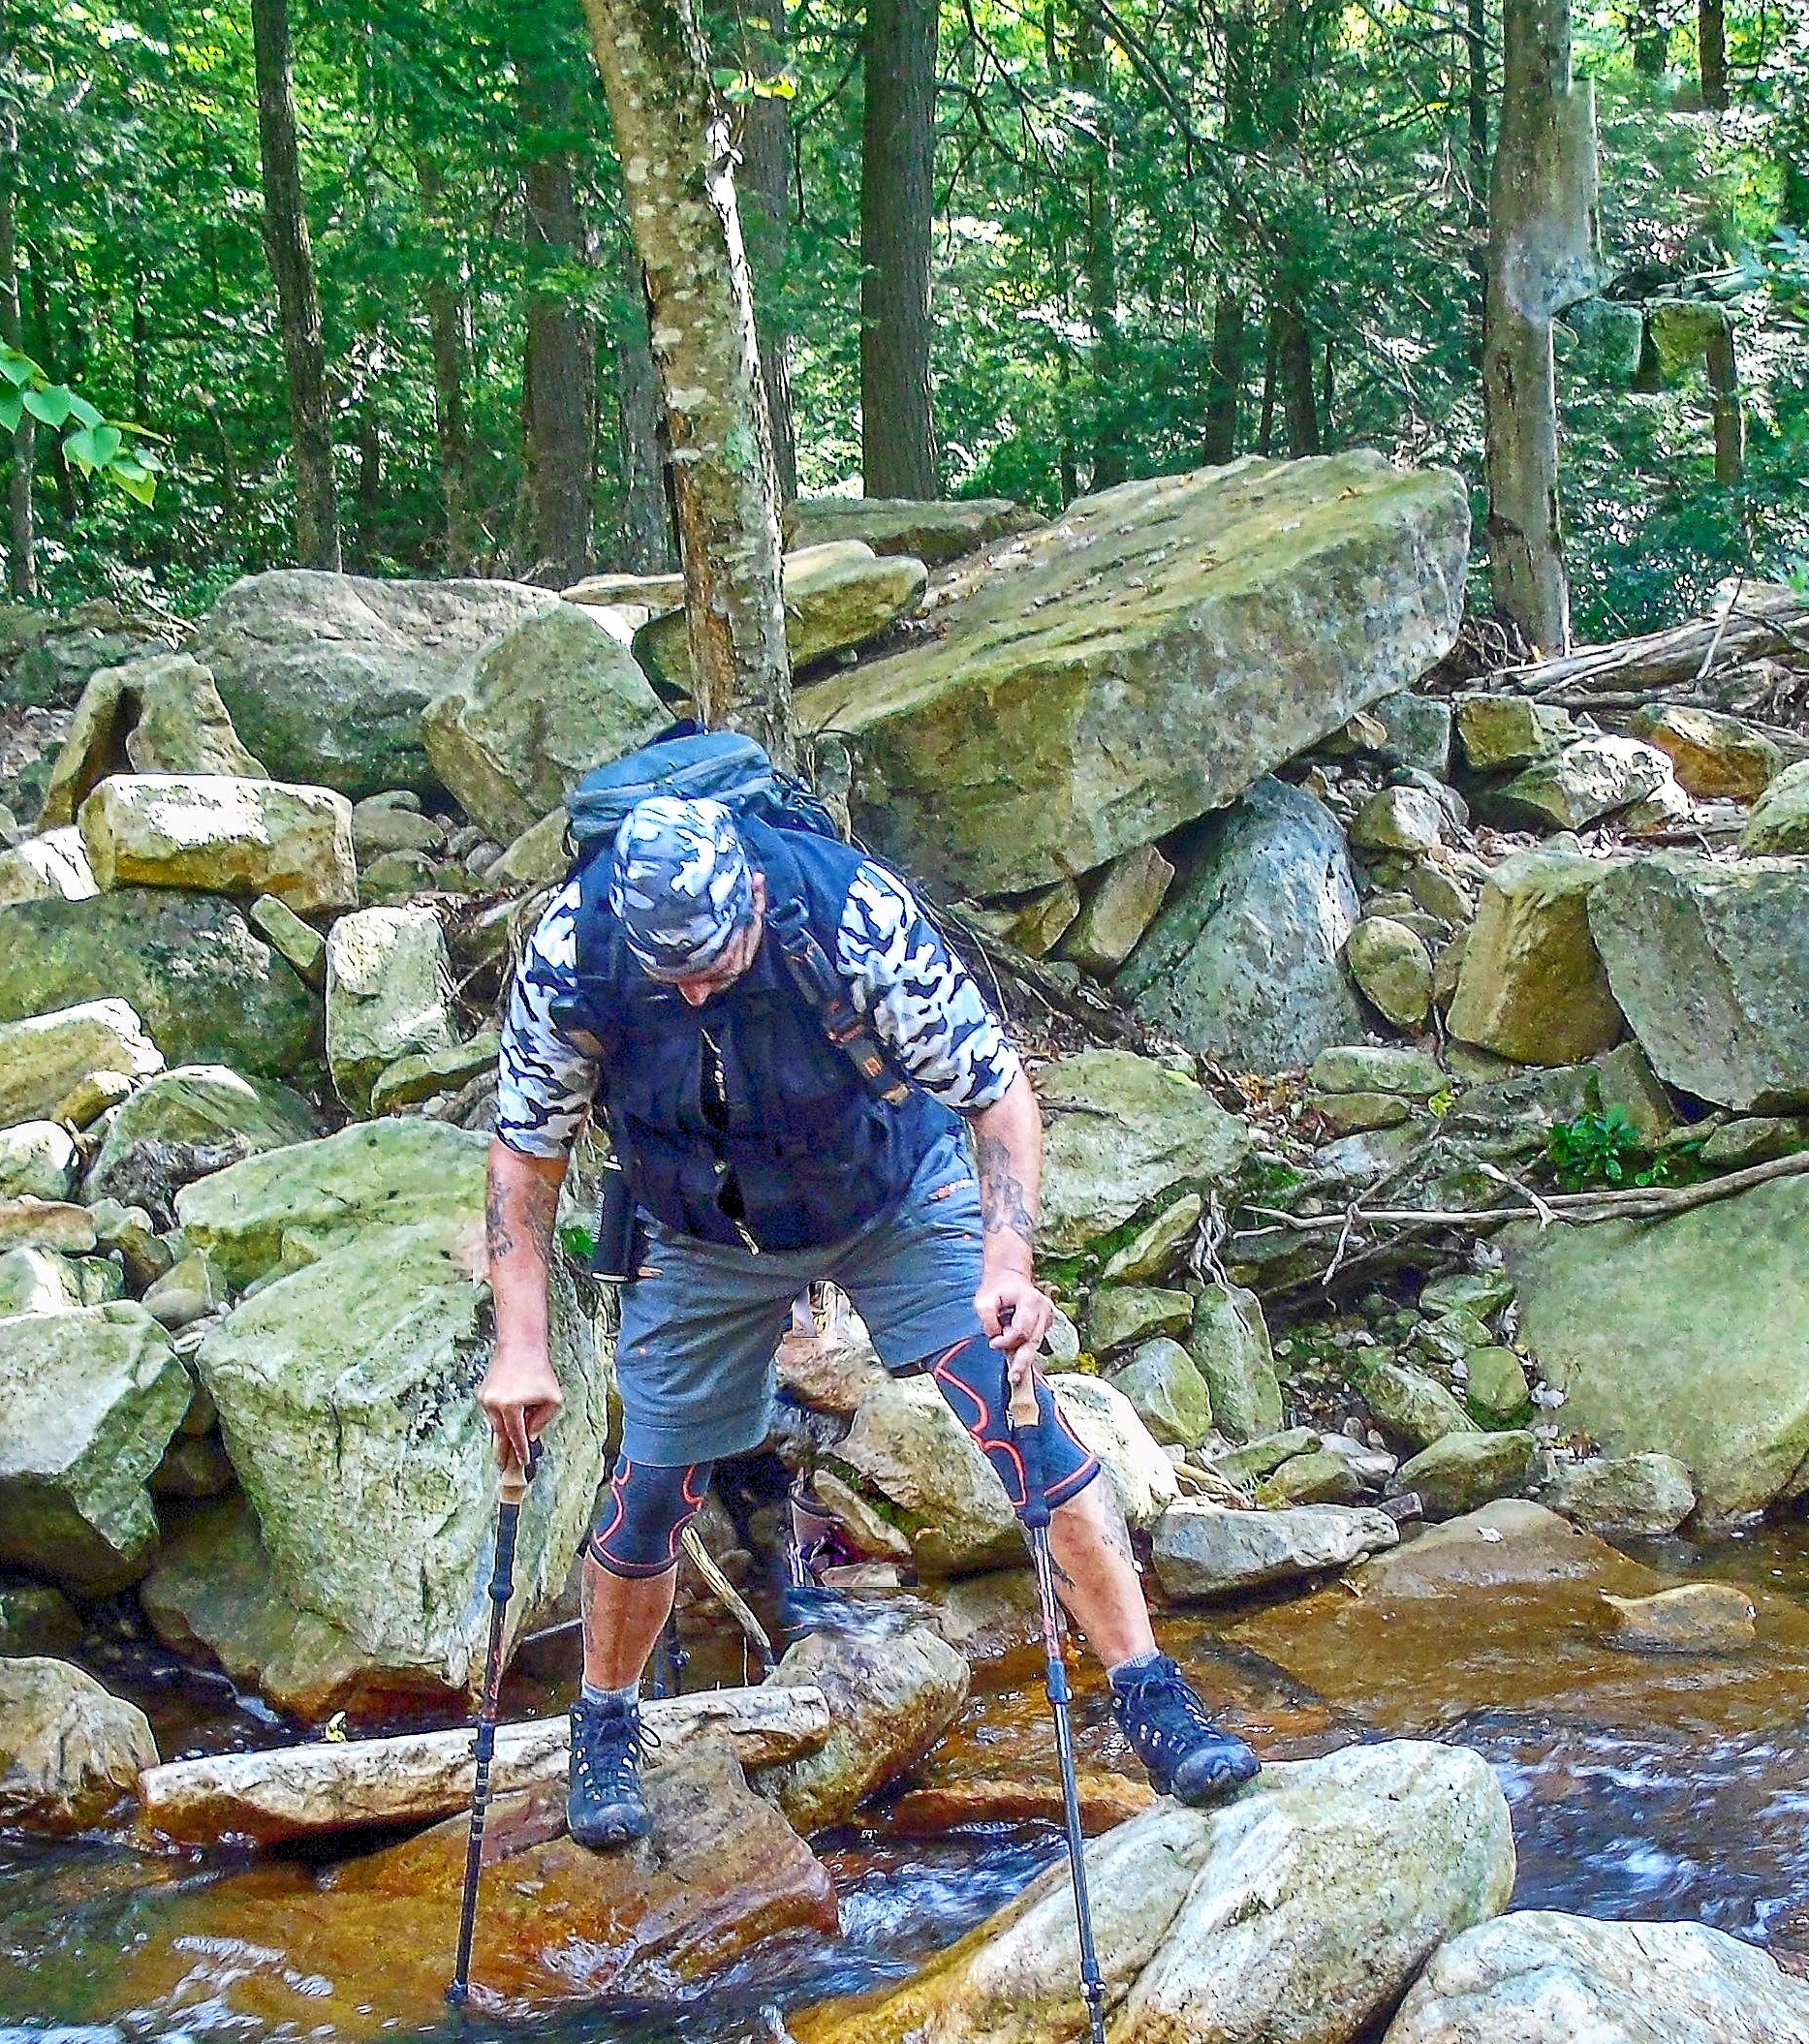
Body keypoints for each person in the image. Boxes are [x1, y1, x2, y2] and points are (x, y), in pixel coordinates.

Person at [475, 749, 1264, 1852]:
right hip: (701, 1229)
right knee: (652, 1488)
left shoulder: (850, 918)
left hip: (891, 1186)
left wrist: (1008, 1267)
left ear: (752, 890)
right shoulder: (577, 951)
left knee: (1019, 1420)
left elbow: (996, 1100)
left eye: (714, 966)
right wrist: (521, 1349)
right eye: (675, 980)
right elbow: (525, 1160)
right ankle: (605, 1725)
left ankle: (1152, 1699)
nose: (696, 992)